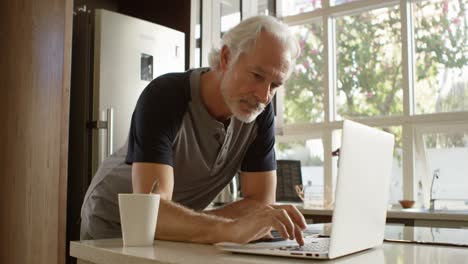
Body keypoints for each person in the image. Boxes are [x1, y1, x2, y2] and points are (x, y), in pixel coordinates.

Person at [80, 15, 307, 245]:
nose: (264, 96)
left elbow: (260, 204)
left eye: (275, 85)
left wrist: (201, 226)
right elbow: (151, 214)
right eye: (257, 76)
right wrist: (229, 229)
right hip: (111, 223)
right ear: (227, 57)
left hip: (176, 230)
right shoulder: (165, 96)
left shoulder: (260, 114)